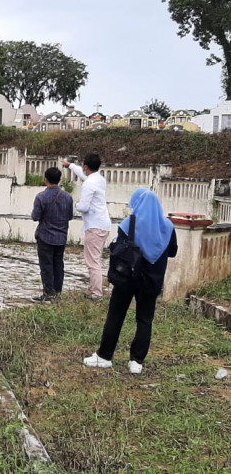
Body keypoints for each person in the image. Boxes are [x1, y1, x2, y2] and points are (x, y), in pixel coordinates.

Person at [83, 188, 177, 374]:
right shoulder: (168, 226)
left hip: (128, 278)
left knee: (116, 315)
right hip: (152, 280)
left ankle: (104, 356)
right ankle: (137, 362)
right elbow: (173, 252)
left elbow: (120, 250)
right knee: (144, 320)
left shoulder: (128, 224)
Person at [62, 154, 111, 301]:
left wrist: (74, 205)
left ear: (86, 166)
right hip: (103, 224)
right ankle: (93, 289)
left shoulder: (89, 184)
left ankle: (96, 294)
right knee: (95, 259)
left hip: (94, 226)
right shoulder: (99, 179)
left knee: (93, 262)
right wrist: (70, 166)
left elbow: (83, 207)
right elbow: (83, 175)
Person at [30, 167, 74, 303]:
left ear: (46, 180)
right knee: (58, 265)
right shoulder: (68, 197)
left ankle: (48, 293)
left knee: (46, 266)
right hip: (61, 237)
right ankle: (57, 292)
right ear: (59, 179)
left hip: (45, 237)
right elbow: (70, 216)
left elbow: (35, 217)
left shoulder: (41, 197)